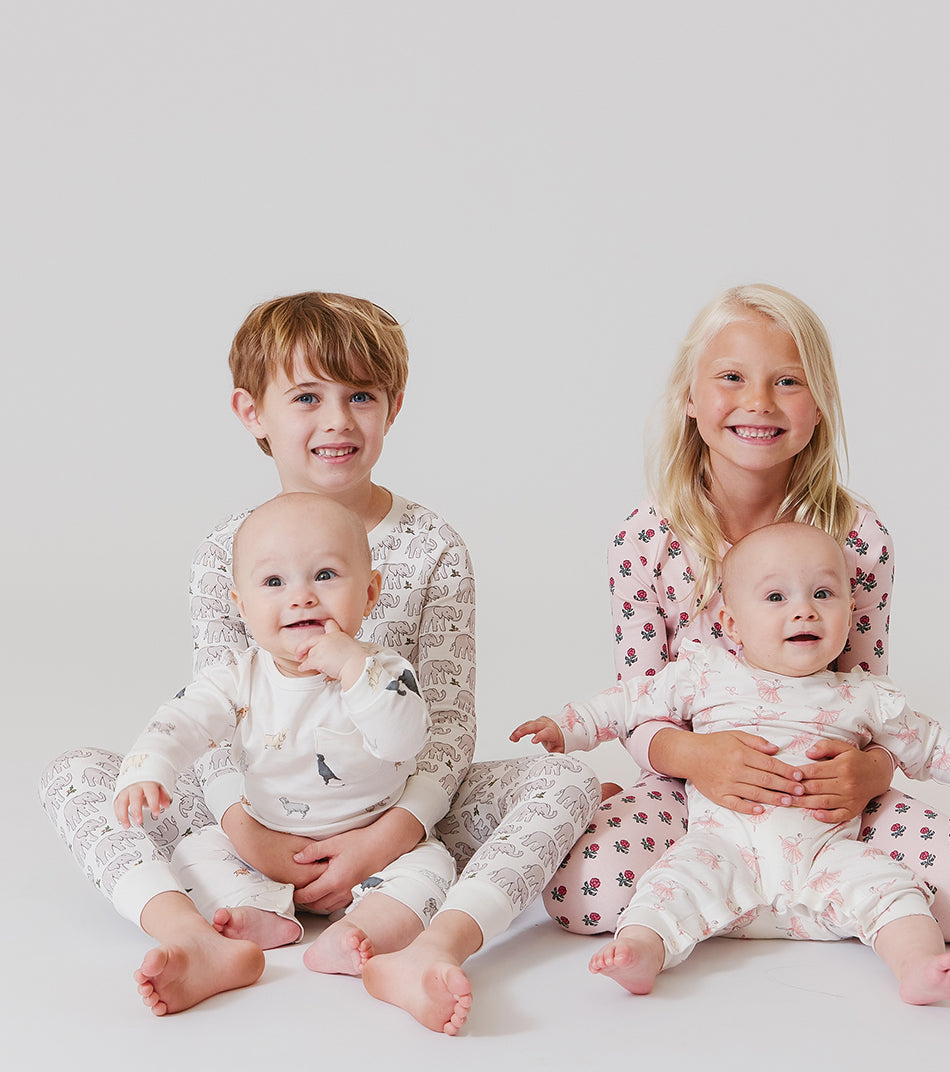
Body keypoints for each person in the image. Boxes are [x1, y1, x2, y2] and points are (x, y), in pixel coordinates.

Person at [41, 293, 599, 1029]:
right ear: (252, 412)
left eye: (360, 396)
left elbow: (447, 722)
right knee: (78, 774)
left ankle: (433, 947)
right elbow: (209, 715)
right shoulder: (226, 549)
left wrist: (387, 837)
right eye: (307, 397)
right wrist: (251, 837)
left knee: (568, 780)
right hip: (254, 809)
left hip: (396, 811)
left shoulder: (432, 546)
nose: (337, 420)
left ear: (392, 407)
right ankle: (194, 938)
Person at [528, 284, 950, 941]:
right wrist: (697, 758)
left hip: (826, 796)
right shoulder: (644, 537)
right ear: (689, 397)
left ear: (820, 405)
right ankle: (774, 894)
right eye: (731, 377)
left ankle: (761, 898)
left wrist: (869, 772)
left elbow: (873, 699)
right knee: (580, 895)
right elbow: (636, 701)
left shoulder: (858, 536)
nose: (758, 402)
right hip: (693, 788)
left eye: (788, 381)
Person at [515, 522, 950, 1004]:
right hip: (722, 845)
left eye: (823, 594)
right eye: (777, 597)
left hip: (826, 853)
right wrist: (567, 725)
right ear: (731, 624)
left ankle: (917, 965)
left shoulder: (865, 696)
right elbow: (629, 701)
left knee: (890, 888)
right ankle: (640, 953)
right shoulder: (706, 674)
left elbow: (935, 746)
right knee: (669, 885)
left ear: (851, 611)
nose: (804, 611)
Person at [115, 492, 456, 963]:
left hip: (376, 848)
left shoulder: (385, 671)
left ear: (370, 592)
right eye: (274, 581)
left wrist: (353, 670)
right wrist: (150, 767)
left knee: (433, 868)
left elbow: (403, 741)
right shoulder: (238, 678)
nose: (302, 597)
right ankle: (260, 912)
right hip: (263, 848)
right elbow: (182, 718)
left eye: (325, 575)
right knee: (196, 854)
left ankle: (361, 931)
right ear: (241, 606)